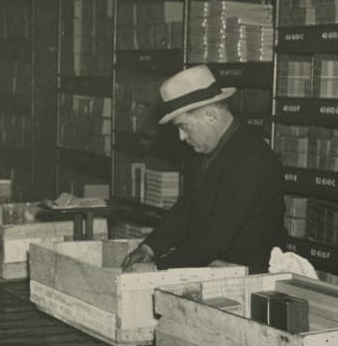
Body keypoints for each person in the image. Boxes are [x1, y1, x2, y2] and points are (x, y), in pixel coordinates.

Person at [121, 65, 287, 274]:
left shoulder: (251, 158)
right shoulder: (211, 150)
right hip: (216, 269)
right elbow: (187, 208)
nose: (182, 137)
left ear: (211, 116)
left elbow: (217, 237)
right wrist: (150, 247)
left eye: (184, 126)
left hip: (251, 276)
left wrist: (158, 268)